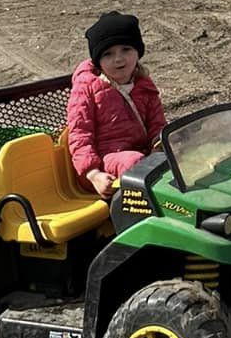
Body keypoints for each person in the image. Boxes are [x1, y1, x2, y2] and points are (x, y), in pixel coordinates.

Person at [67, 11, 167, 200]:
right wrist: (93, 174)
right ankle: (149, 217)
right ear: (98, 61)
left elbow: (157, 122)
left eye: (126, 50)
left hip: (141, 155)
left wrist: (158, 144)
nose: (118, 59)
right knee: (135, 162)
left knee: (180, 151)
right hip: (103, 162)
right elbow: (80, 134)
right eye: (108, 54)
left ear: (138, 51)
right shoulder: (86, 87)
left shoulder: (143, 83)